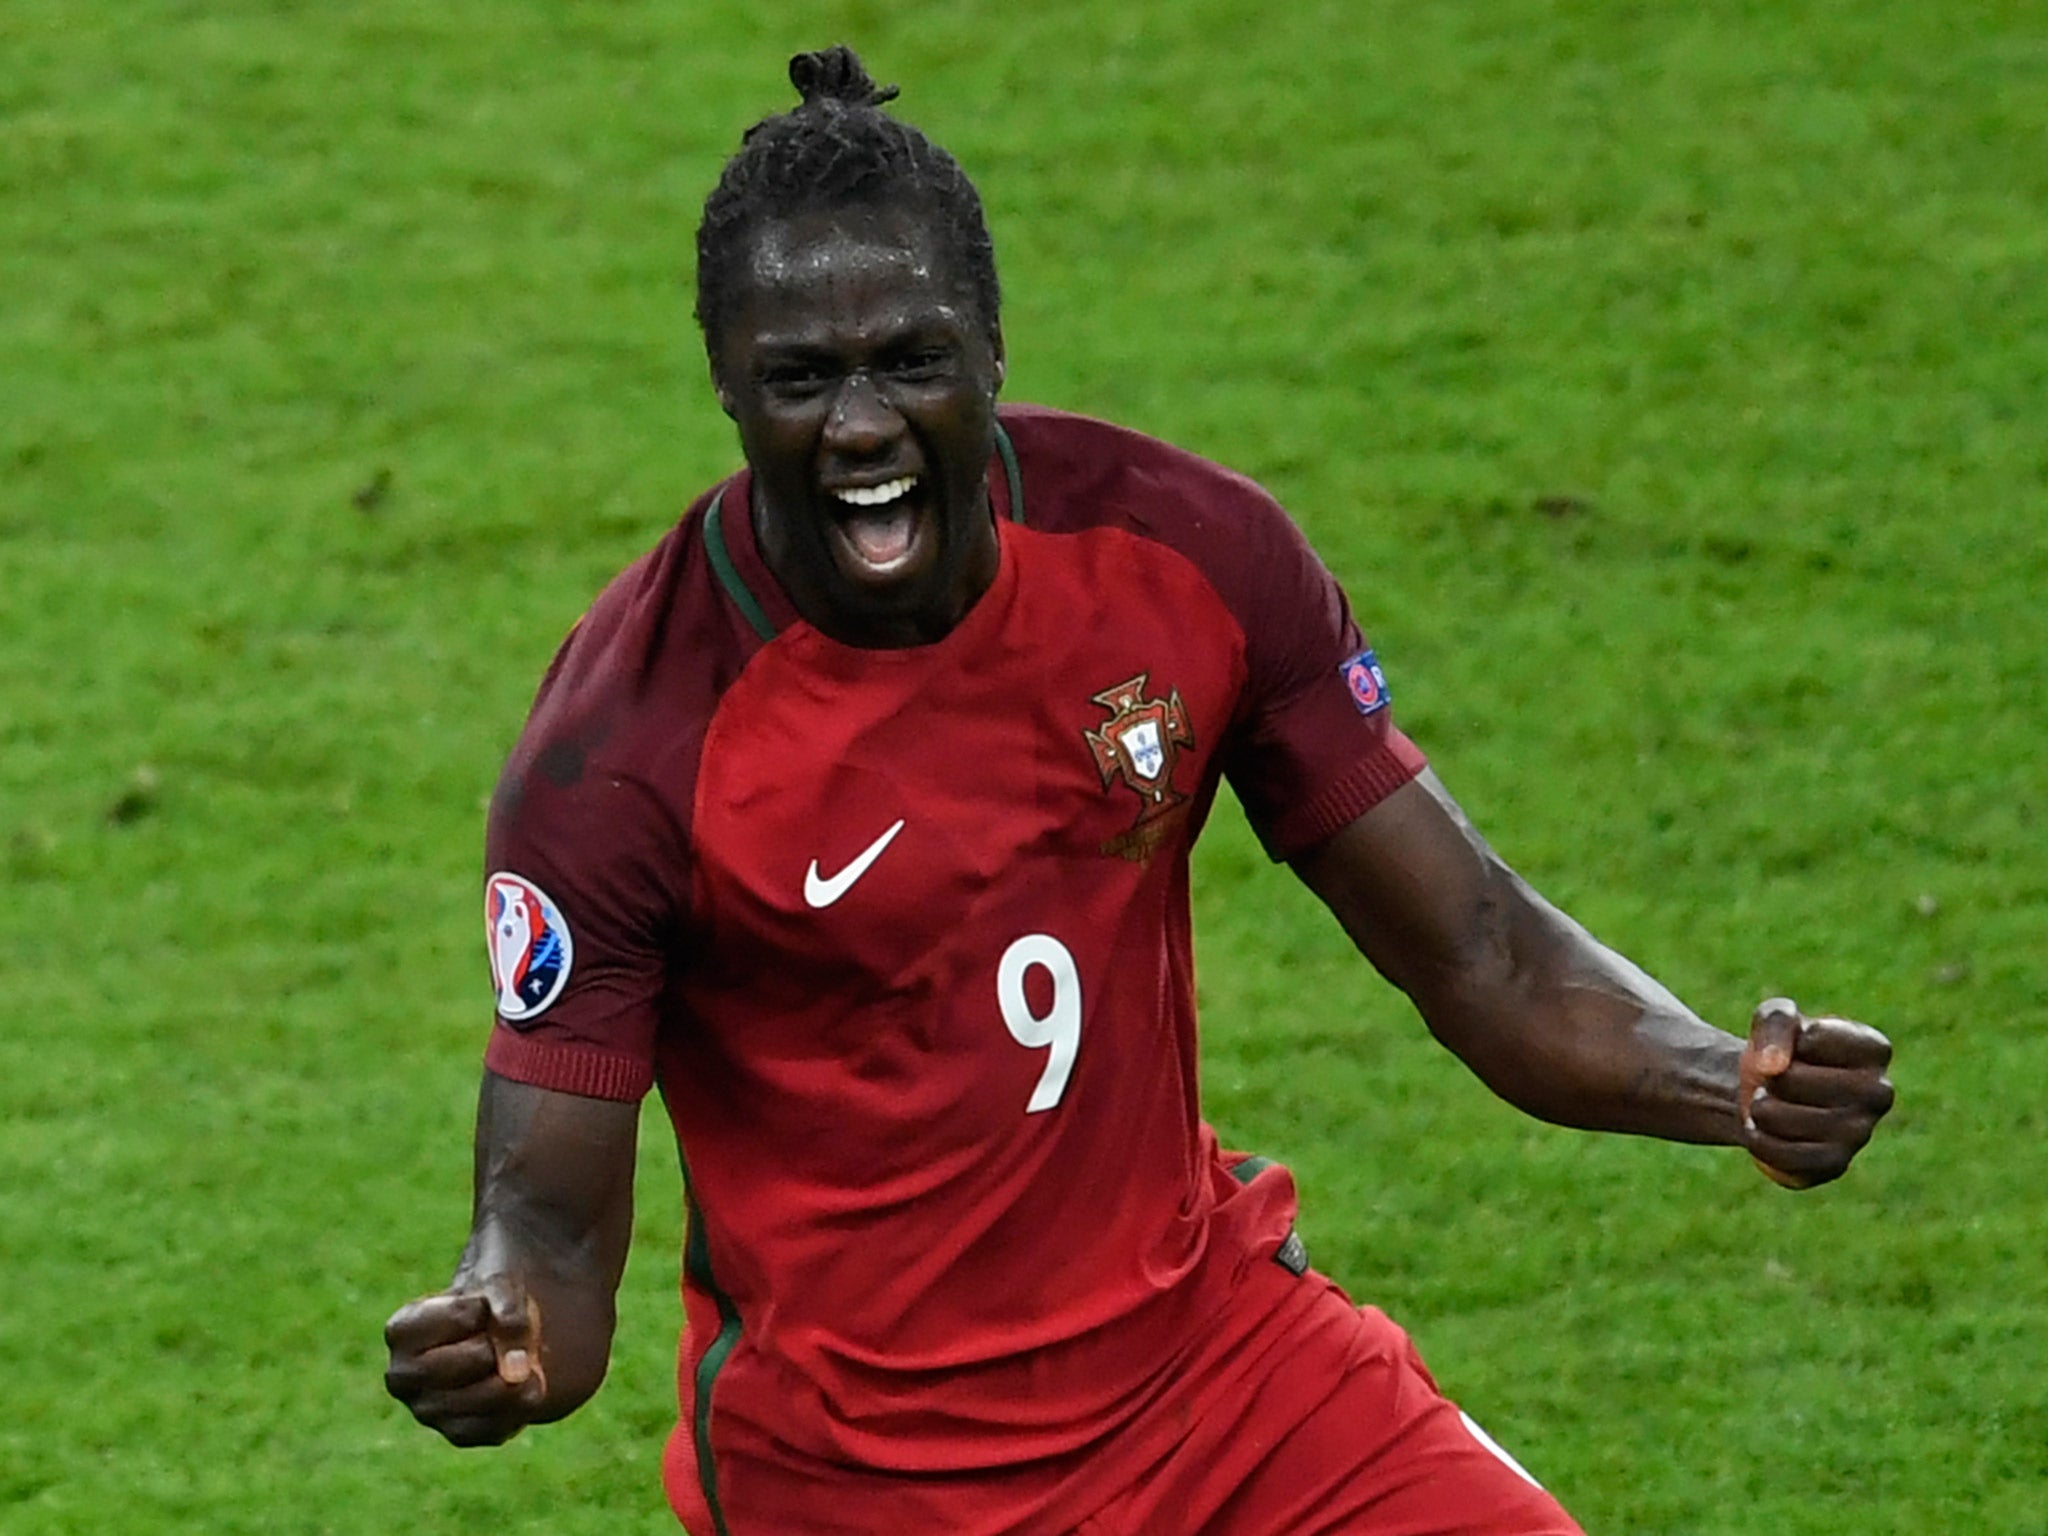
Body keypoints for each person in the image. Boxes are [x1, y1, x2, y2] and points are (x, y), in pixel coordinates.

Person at [383, 46, 1894, 1536]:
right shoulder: (627, 750)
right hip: (868, 1486)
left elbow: (1482, 952)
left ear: (992, 350)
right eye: (801, 379)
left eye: (910, 359)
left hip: (1221, 1384)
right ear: (725, 381)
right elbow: (554, 1231)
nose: (861, 429)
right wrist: (501, 1331)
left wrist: (1730, 1086)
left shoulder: (1185, 563)